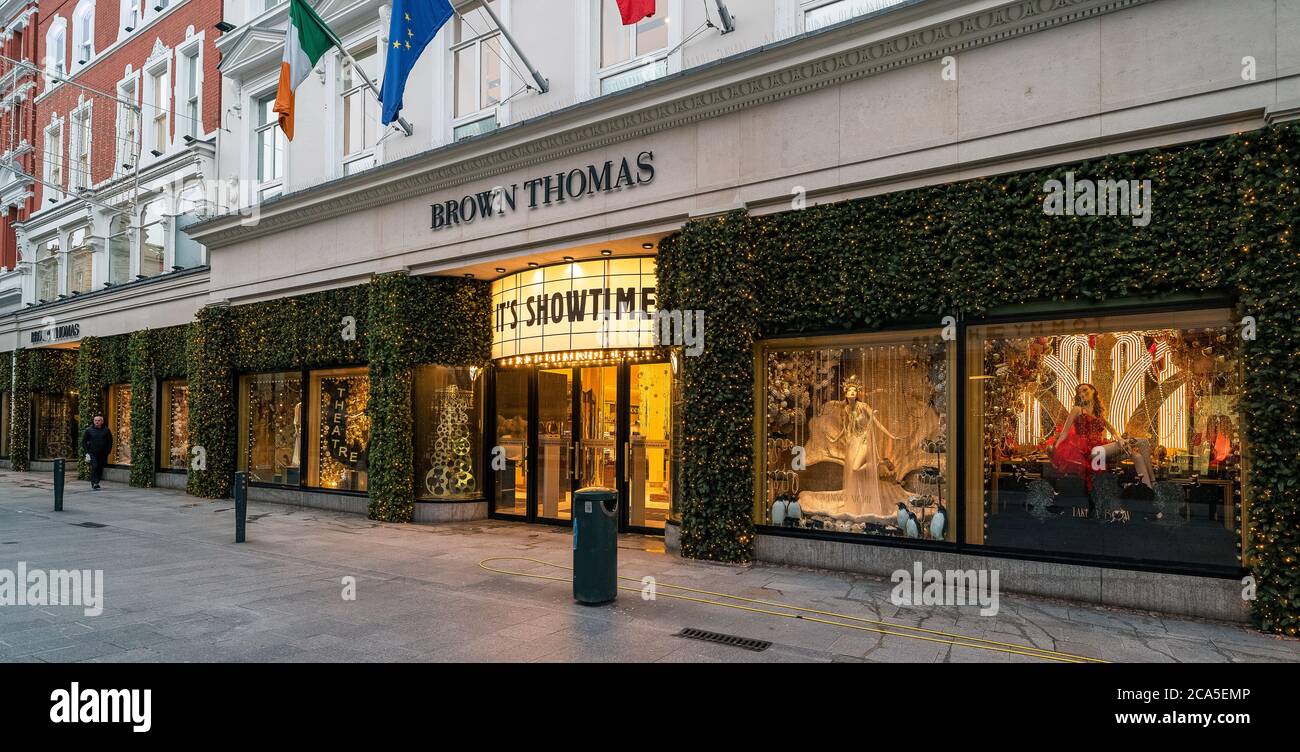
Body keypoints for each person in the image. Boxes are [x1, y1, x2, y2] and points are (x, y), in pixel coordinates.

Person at [1050, 383, 1154, 491]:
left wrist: (1120, 439)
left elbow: (1113, 431)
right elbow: (1064, 433)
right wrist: (1055, 450)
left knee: (1137, 456)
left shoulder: (1099, 414)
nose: (1082, 394)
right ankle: (1154, 483)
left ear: (1093, 391)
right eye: (1079, 393)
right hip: (1088, 451)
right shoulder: (1077, 409)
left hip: (1101, 449)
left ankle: (1149, 489)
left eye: (1085, 390)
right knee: (1142, 441)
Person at [82, 415, 113, 490]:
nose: (97, 422)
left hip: (102, 453)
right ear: (93, 421)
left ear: (102, 422)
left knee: (100, 468)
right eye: (95, 420)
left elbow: (110, 441)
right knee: (95, 466)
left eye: (99, 420)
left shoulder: (106, 430)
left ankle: (97, 481)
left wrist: (108, 451)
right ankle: (95, 483)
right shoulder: (89, 430)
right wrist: (87, 452)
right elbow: (84, 441)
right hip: (92, 452)